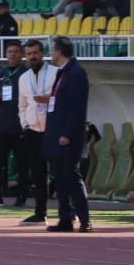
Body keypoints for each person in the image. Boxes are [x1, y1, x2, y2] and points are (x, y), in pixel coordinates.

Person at [43, 36, 90, 231]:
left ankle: (84, 219)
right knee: (60, 179)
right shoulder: (63, 73)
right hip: (56, 134)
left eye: (52, 50)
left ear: (59, 51)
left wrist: (67, 133)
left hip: (66, 136)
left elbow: (77, 108)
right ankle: (65, 218)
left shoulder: (76, 73)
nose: (50, 54)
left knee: (71, 178)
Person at [16, 38, 54, 222]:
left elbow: (64, 99)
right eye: (29, 54)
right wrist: (25, 124)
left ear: (42, 53)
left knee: (63, 172)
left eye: (35, 53)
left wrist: (50, 100)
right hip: (33, 131)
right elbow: (22, 105)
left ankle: (70, 211)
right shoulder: (23, 78)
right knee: (38, 175)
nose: (32, 57)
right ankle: (40, 213)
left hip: (53, 130)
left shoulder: (56, 73)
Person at [0, 42, 25, 208]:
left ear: (22, 54)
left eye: (16, 52)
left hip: (20, 126)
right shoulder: (2, 72)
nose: (12, 54)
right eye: (9, 52)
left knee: (22, 163)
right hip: (1, 125)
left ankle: (22, 197)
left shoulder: (26, 72)